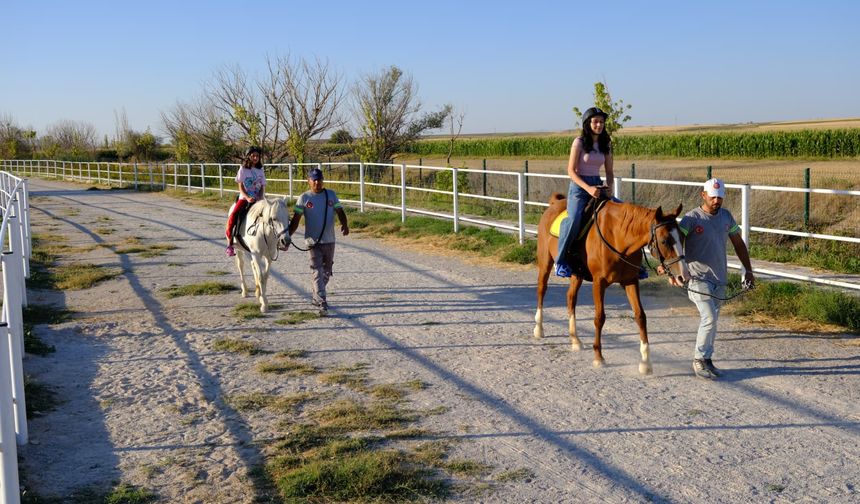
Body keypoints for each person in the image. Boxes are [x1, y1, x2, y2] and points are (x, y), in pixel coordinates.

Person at [678, 178, 755, 379]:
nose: (716, 201)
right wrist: (677, 270)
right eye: (713, 197)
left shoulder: (726, 217)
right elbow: (676, 245)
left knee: (713, 321)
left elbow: (738, 244)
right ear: (703, 195)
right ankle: (698, 360)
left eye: (720, 197)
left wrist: (748, 270)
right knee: (709, 318)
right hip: (697, 278)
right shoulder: (691, 219)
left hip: (719, 278)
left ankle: (707, 360)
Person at [555, 106, 615, 277]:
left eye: (602, 122)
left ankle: (632, 266)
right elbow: (571, 171)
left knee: (620, 211)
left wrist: (609, 188)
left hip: (598, 185)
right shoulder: (579, 142)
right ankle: (560, 261)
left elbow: (609, 172)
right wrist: (588, 188)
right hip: (580, 188)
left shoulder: (606, 144)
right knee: (574, 219)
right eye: (595, 121)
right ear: (588, 123)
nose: (599, 125)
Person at [288, 167, 349, 315]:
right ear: (308, 181)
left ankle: (316, 294)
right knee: (317, 270)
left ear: (323, 180)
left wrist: (344, 224)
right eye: (314, 180)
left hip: (329, 240)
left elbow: (340, 211)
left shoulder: (331, 195)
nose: (317, 182)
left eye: (319, 179)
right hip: (312, 242)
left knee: (326, 271)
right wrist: (288, 236)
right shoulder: (303, 198)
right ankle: (322, 301)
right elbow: (296, 220)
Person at [225, 146, 266, 257]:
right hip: (245, 198)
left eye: (257, 156)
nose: (255, 158)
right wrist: (247, 198)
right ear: (248, 156)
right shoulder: (243, 169)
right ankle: (230, 243)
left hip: (258, 198)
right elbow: (241, 187)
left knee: (271, 215)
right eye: (253, 155)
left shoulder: (260, 170)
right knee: (233, 216)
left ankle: (271, 241)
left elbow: (262, 186)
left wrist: (261, 197)